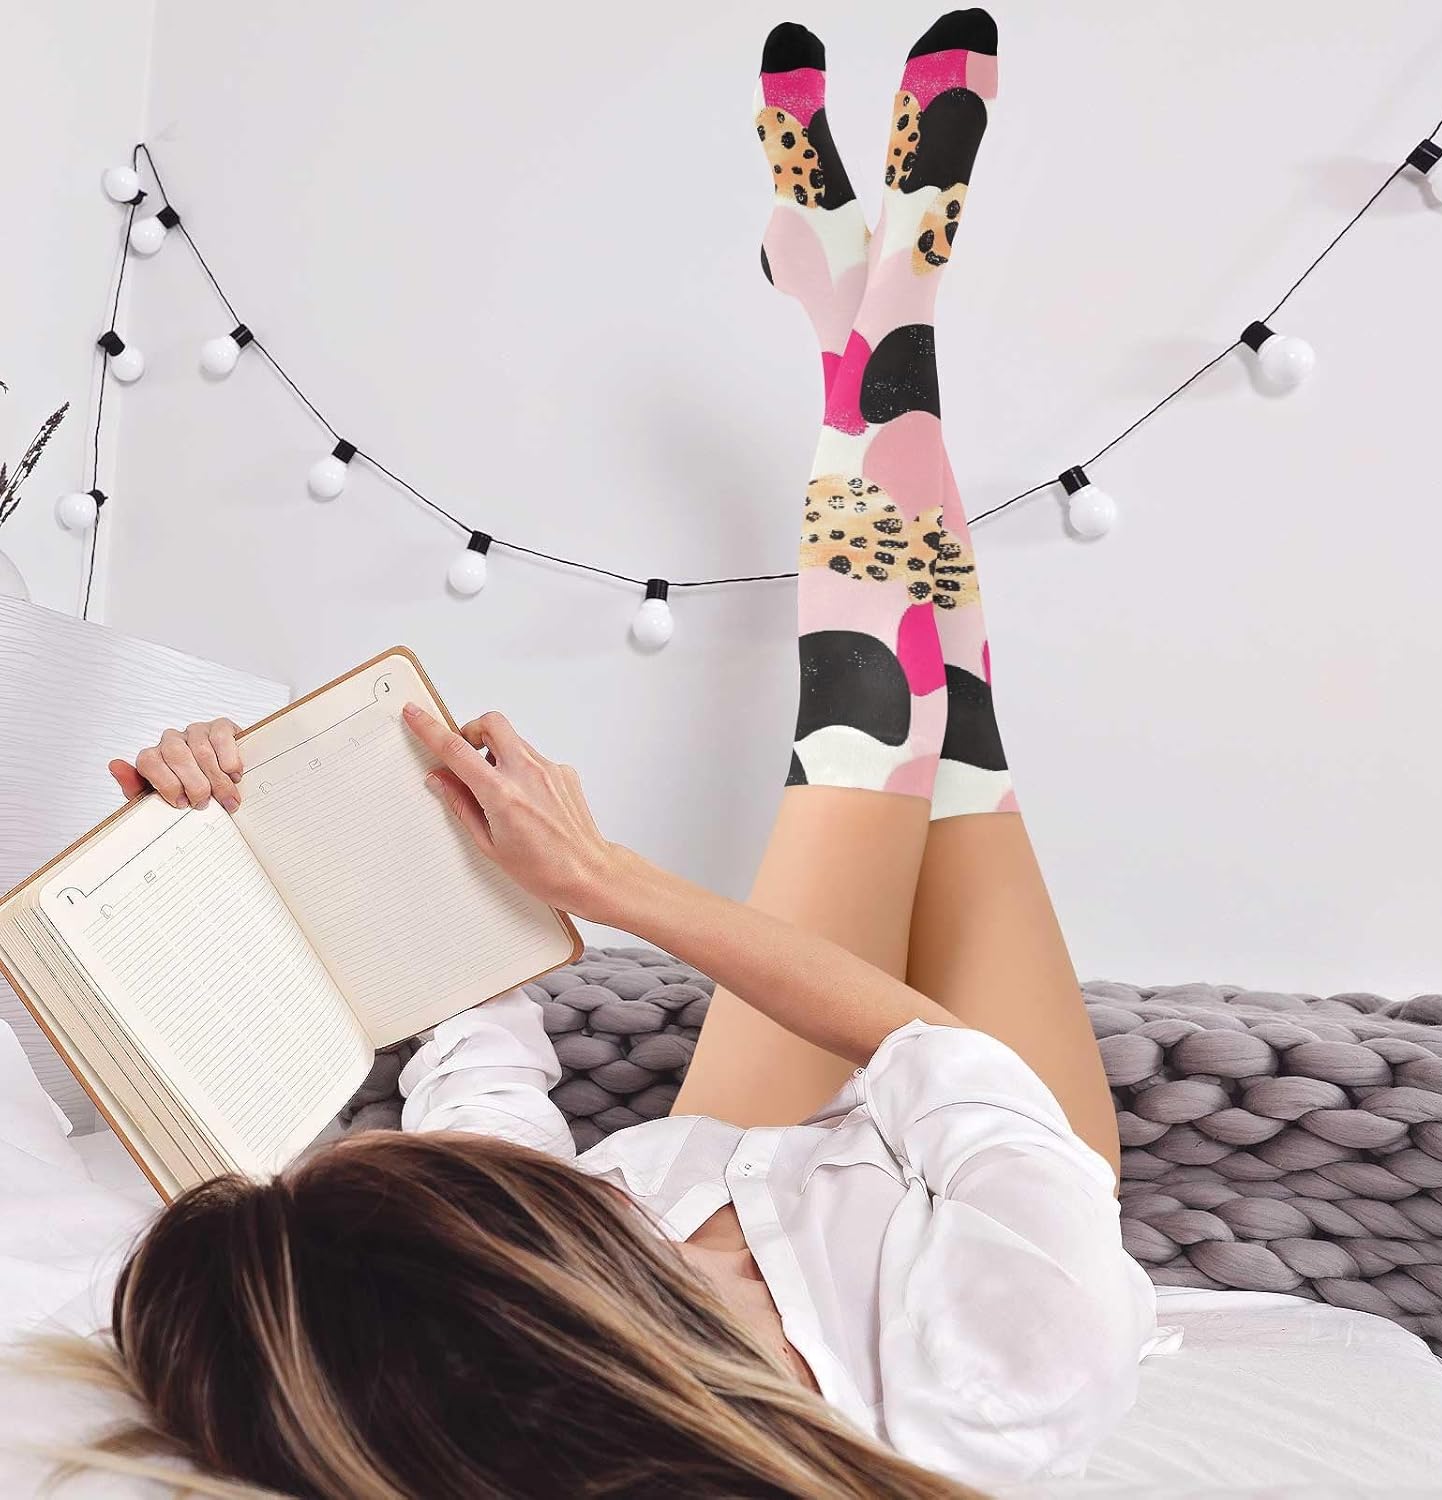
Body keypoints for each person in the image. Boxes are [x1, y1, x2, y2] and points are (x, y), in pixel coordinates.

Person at [76, 12, 1163, 1497]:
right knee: (907, 737)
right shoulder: (1005, 1358)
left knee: (916, 729)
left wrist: (240, 830)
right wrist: (604, 880)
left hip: (778, 1132)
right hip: (1010, 1149)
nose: (390, 1148)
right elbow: (952, 1063)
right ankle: (870, 317)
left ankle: (860, 319)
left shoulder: (542, 1254)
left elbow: (473, 1033)